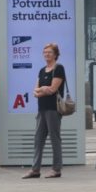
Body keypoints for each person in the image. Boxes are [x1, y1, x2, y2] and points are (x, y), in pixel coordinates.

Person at [22, 43, 66, 179]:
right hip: (41, 108)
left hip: (53, 109)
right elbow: (35, 90)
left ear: (55, 54)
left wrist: (42, 90)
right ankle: (35, 170)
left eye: (50, 52)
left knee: (54, 139)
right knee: (38, 139)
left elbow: (53, 89)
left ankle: (56, 169)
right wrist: (43, 90)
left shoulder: (59, 68)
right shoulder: (42, 70)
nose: (47, 54)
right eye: (45, 52)